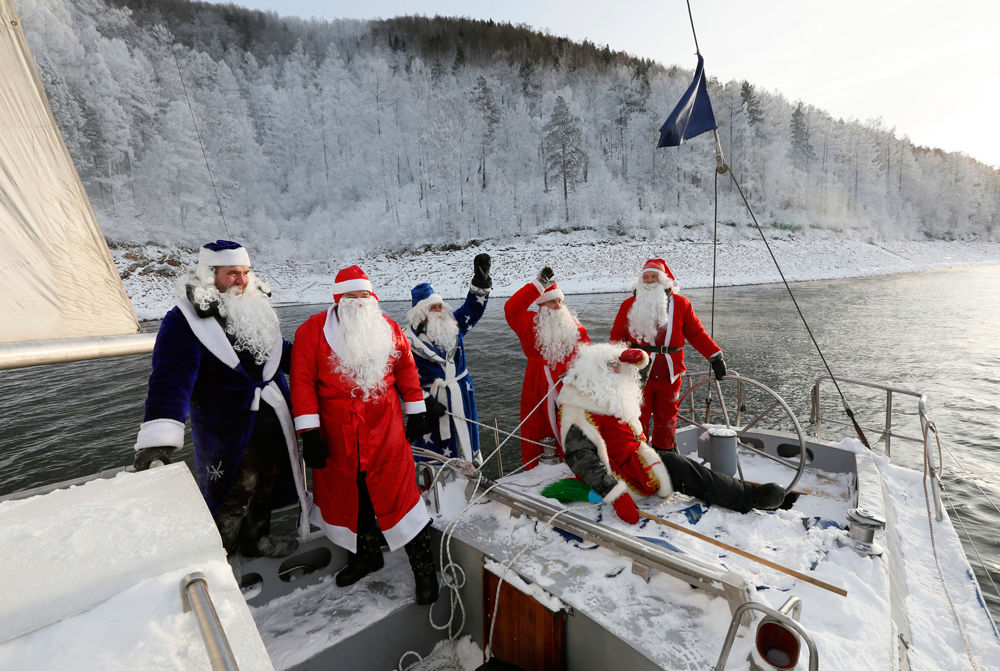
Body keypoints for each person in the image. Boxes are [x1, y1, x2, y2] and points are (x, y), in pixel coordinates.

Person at [133, 240, 307, 558]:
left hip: (271, 419)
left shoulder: (256, 310)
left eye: (245, 272)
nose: (241, 280)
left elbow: (284, 354)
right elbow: (170, 379)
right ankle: (221, 558)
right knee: (231, 495)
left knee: (267, 482)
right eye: (232, 273)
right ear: (210, 274)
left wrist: (332, 367)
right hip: (225, 428)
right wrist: (157, 442)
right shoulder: (182, 321)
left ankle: (258, 540)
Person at [289, 265, 439, 604]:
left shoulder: (387, 329)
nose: (358, 302)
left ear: (372, 298)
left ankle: (425, 571)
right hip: (337, 432)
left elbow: (406, 370)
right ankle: (365, 557)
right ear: (338, 300)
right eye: (351, 297)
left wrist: (416, 410)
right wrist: (309, 433)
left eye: (363, 296)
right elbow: (301, 382)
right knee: (353, 496)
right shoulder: (312, 331)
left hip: (384, 428)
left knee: (402, 496)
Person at [557, 343, 785, 522]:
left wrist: (640, 361)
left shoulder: (608, 391)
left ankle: (740, 493)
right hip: (621, 471)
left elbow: (636, 375)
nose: (619, 371)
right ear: (596, 372)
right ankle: (746, 497)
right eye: (613, 367)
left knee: (679, 466)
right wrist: (616, 495)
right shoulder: (577, 406)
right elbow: (580, 458)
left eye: (619, 366)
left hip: (635, 457)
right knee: (680, 467)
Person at [610, 258, 727, 452]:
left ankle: (665, 455)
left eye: (654, 276)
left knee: (667, 416)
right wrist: (616, 364)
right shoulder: (629, 305)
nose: (649, 281)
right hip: (637, 371)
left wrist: (715, 356)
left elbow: (697, 334)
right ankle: (638, 455)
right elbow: (617, 339)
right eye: (645, 277)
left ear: (664, 280)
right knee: (637, 414)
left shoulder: (681, 304)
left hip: (670, 371)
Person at [404, 254, 492, 464]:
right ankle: (432, 480)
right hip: (432, 404)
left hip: (462, 394)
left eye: (439, 307)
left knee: (466, 440)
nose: (438, 311)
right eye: (432, 308)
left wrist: (480, 283)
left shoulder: (453, 325)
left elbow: (473, 308)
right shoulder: (406, 341)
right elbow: (403, 378)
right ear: (420, 312)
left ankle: (471, 469)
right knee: (433, 449)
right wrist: (424, 401)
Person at [505, 265, 590, 469]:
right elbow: (511, 309)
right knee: (539, 426)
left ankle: (576, 463)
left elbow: (588, 351)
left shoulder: (574, 325)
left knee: (576, 424)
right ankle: (539, 466)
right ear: (542, 305)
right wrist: (538, 285)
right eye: (552, 301)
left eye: (560, 301)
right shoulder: (529, 323)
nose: (558, 306)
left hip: (570, 382)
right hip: (539, 383)